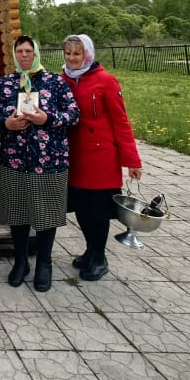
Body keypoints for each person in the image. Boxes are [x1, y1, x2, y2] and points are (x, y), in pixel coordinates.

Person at [0, 36, 79, 293]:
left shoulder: (55, 82)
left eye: (29, 50)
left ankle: (44, 263)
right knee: (17, 213)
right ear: (14, 54)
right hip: (13, 159)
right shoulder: (5, 83)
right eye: (20, 51)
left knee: (46, 214)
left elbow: (73, 114)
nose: (24, 55)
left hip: (49, 160)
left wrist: (46, 119)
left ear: (36, 53)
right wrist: (6, 124)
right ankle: (20, 260)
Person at [61, 34, 142, 281]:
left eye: (77, 53)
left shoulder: (105, 81)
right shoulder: (62, 80)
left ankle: (99, 256)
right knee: (82, 208)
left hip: (100, 156)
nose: (73, 58)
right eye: (68, 53)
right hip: (75, 154)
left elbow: (121, 121)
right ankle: (89, 249)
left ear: (87, 53)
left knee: (98, 209)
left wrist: (132, 160)